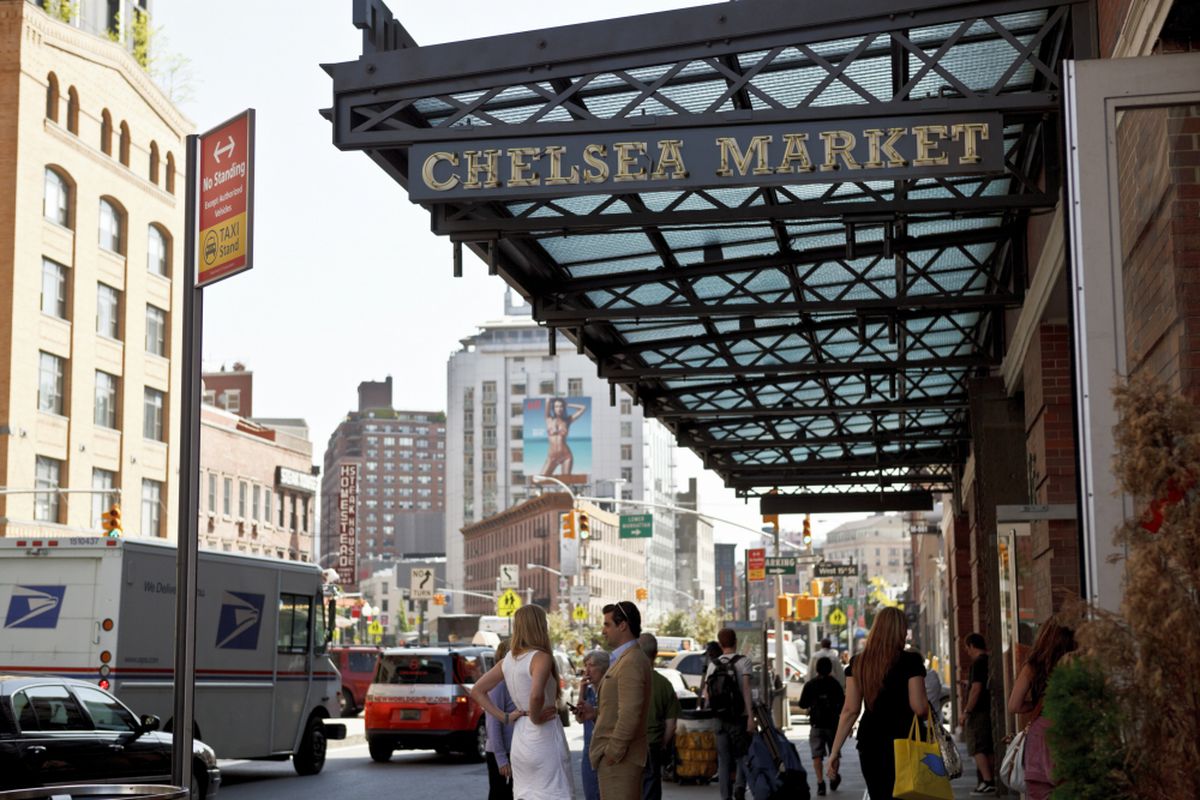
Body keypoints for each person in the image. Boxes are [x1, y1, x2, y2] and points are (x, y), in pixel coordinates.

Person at [471, 605, 575, 800]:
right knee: (555, 792)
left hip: (520, 736)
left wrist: (505, 717)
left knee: (525, 794)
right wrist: (535, 717)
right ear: (539, 625)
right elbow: (536, 696)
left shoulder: (508, 660)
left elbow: (477, 690)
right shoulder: (541, 657)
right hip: (544, 735)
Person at [829, 607, 927, 800]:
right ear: (899, 630)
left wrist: (834, 752)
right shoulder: (911, 661)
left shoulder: (858, 663)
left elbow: (850, 710)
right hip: (907, 739)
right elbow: (919, 707)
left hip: (871, 742)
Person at [581, 600, 651, 800]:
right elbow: (619, 707)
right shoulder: (624, 659)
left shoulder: (631, 661)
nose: (603, 631)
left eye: (607, 624)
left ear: (623, 625)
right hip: (618, 760)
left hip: (621, 762)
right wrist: (594, 712)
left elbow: (630, 714)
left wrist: (613, 752)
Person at [1006, 617, 1076, 800]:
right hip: (1068, 730)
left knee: (1038, 789)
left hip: (1039, 733)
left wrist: (1035, 704)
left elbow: (1013, 705)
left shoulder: (1032, 666)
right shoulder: (1076, 665)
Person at [705, 627, 755, 800]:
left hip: (719, 719)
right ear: (736, 642)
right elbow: (746, 689)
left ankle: (725, 797)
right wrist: (750, 717)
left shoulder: (713, 665)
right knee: (742, 755)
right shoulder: (744, 662)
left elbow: (707, 694)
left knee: (724, 760)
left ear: (720, 644)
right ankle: (740, 787)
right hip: (738, 717)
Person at [638, 634, 680, 800]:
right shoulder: (664, 685)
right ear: (656, 655)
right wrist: (663, 743)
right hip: (653, 745)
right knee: (651, 790)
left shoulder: (627, 681)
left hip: (631, 745)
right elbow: (672, 725)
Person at [800, 656, 845, 796]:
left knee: (816, 755)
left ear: (816, 669)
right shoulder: (835, 684)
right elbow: (843, 704)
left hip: (816, 724)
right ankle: (832, 777)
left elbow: (802, 704)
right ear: (830, 668)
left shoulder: (811, 684)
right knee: (835, 753)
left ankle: (820, 783)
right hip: (832, 725)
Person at [961, 632, 996, 795]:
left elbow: (976, 688)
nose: (967, 651)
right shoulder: (989, 660)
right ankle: (990, 780)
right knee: (987, 747)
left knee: (977, 747)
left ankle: (987, 781)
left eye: (967, 647)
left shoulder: (977, 663)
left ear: (972, 646)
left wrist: (967, 711)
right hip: (988, 709)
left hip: (978, 711)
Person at [576, 649, 610, 800]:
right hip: (589, 749)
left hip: (605, 749)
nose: (587, 670)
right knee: (590, 793)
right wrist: (581, 690)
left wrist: (595, 712)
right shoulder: (589, 691)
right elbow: (580, 719)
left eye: (591, 665)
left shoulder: (610, 690)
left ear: (603, 668)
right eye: (586, 665)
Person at [485, 640, 516, 800]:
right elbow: (493, 723)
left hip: (514, 750)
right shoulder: (499, 683)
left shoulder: (512, 681)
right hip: (502, 751)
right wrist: (502, 759)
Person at [540, 397, 587, 476]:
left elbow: (583, 408)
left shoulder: (567, 420)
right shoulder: (548, 419)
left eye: (561, 406)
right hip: (552, 457)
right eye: (556, 406)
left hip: (566, 456)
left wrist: (568, 404)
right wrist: (555, 395)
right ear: (553, 408)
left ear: (564, 407)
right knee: (540, 480)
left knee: (566, 483)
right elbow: (547, 400)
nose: (559, 409)